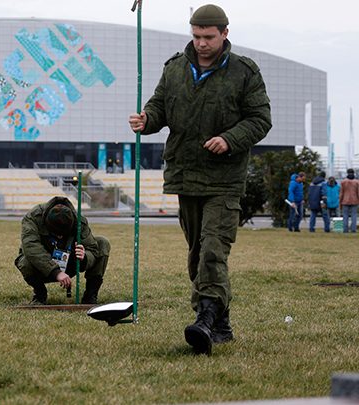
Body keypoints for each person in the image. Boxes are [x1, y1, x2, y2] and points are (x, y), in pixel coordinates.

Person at [128, 4, 271, 355]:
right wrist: (146, 120)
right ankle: (221, 323)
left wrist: (229, 139)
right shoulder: (175, 69)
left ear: (224, 33)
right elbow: (159, 108)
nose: (202, 43)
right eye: (196, 36)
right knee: (197, 254)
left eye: (208, 36)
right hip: (185, 176)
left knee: (212, 249)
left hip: (224, 179)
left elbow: (260, 119)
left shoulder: (244, 72)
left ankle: (205, 319)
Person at [14, 196, 110, 305]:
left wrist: (84, 257)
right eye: (56, 234)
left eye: (63, 234)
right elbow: (31, 246)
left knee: (102, 243)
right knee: (25, 262)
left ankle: (90, 295)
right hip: (43, 265)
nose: (59, 237)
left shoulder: (79, 221)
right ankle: (40, 294)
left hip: (70, 261)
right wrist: (55, 272)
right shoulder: (33, 218)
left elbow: (93, 249)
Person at [339, 168, 359, 233]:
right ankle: (353, 229)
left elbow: (341, 193)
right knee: (354, 215)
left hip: (345, 200)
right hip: (355, 200)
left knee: (345, 215)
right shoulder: (357, 182)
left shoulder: (343, 182)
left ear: (347, 173)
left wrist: (340, 201)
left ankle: (345, 229)